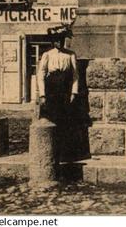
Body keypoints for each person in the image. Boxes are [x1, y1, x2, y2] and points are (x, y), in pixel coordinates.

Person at [37, 24, 79, 160]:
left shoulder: (70, 55)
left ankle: (64, 153)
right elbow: (41, 75)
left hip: (64, 90)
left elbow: (75, 76)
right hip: (52, 90)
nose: (59, 43)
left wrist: (74, 93)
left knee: (65, 121)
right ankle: (50, 152)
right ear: (53, 42)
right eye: (56, 40)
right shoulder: (47, 55)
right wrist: (42, 95)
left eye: (61, 40)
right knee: (51, 119)